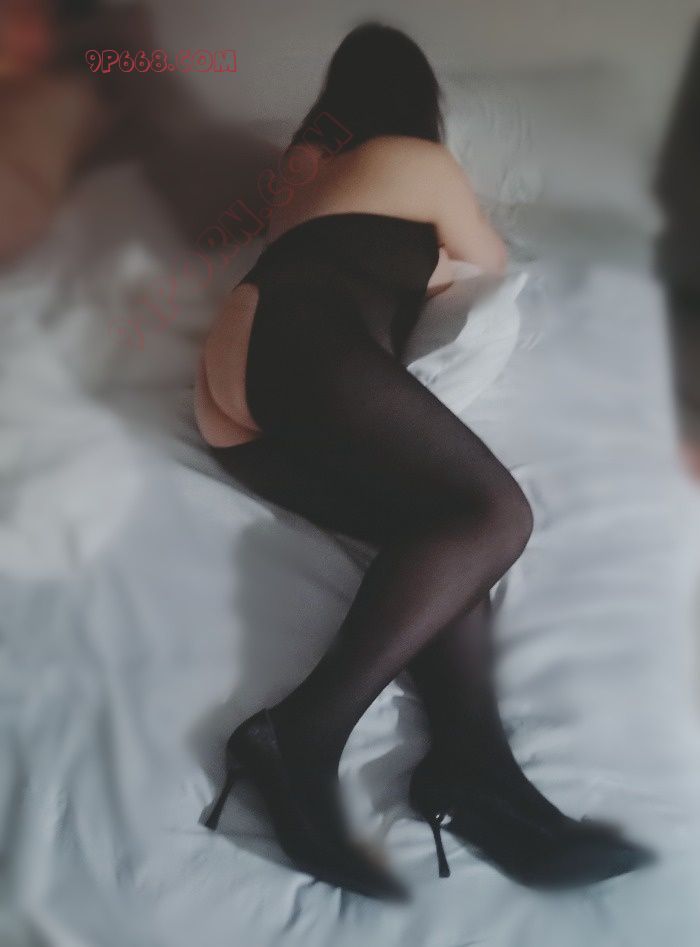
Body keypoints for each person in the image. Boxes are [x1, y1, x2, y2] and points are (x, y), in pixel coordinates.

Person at [194, 21, 653, 901]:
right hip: (300, 341)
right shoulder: (418, 160)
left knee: (446, 531)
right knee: (497, 514)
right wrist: (434, 250)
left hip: (232, 389)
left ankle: (476, 767)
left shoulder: (303, 171)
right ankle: (302, 731)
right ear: (416, 101)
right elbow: (489, 262)